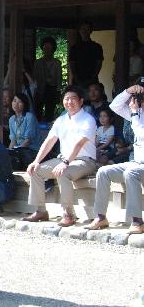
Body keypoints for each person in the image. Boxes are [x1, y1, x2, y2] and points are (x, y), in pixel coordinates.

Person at [22, 85, 98, 226]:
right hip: (63, 159)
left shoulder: (88, 119)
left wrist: (66, 163)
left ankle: (68, 214)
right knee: (36, 170)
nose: (69, 102)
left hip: (85, 161)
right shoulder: (61, 120)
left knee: (63, 173)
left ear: (81, 101)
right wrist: (36, 161)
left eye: (73, 99)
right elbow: (49, 141)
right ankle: (40, 210)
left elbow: (79, 144)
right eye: (66, 99)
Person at [85, 84, 144, 234]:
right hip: (137, 162)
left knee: (131, 174)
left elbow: (141, 133)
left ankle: (137, 221)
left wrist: (135, 113)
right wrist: (128, 91)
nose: (138, 101)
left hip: (139, 167)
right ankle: (100, 217)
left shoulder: (136, 115)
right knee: (103, 172)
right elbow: (115, 106)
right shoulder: (137, 113)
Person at [8, 93, 41, 170]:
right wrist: (9, 152)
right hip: (19, 150)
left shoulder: (29, 117)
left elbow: (28, 140)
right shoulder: (12, 119)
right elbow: (13, 140)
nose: (16, 104)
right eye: (14, 101)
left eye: (20, 102)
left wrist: (15, 151)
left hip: (32, 150)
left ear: (24, 104)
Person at [33, 37, 63, 122]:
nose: (47, 50)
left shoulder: (57, 63)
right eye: (45, 48)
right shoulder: (37, 62)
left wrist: (58, 91)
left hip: (52, 90)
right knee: (37, 112)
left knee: (49, 113)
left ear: (53, 49)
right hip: (39, 89)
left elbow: (59, 79)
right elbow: (34, 77)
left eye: (49, 48)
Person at [69, 23, 104, 89]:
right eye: (82, 29)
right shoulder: (74, 48)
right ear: (79, 31)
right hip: (77, 81)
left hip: (92, 80)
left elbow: (99, 64)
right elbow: (72, 65)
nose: (84, 31)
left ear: (90, 31)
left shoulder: (97, 47)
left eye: (87, 29)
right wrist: (78, 80)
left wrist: (92, 79)